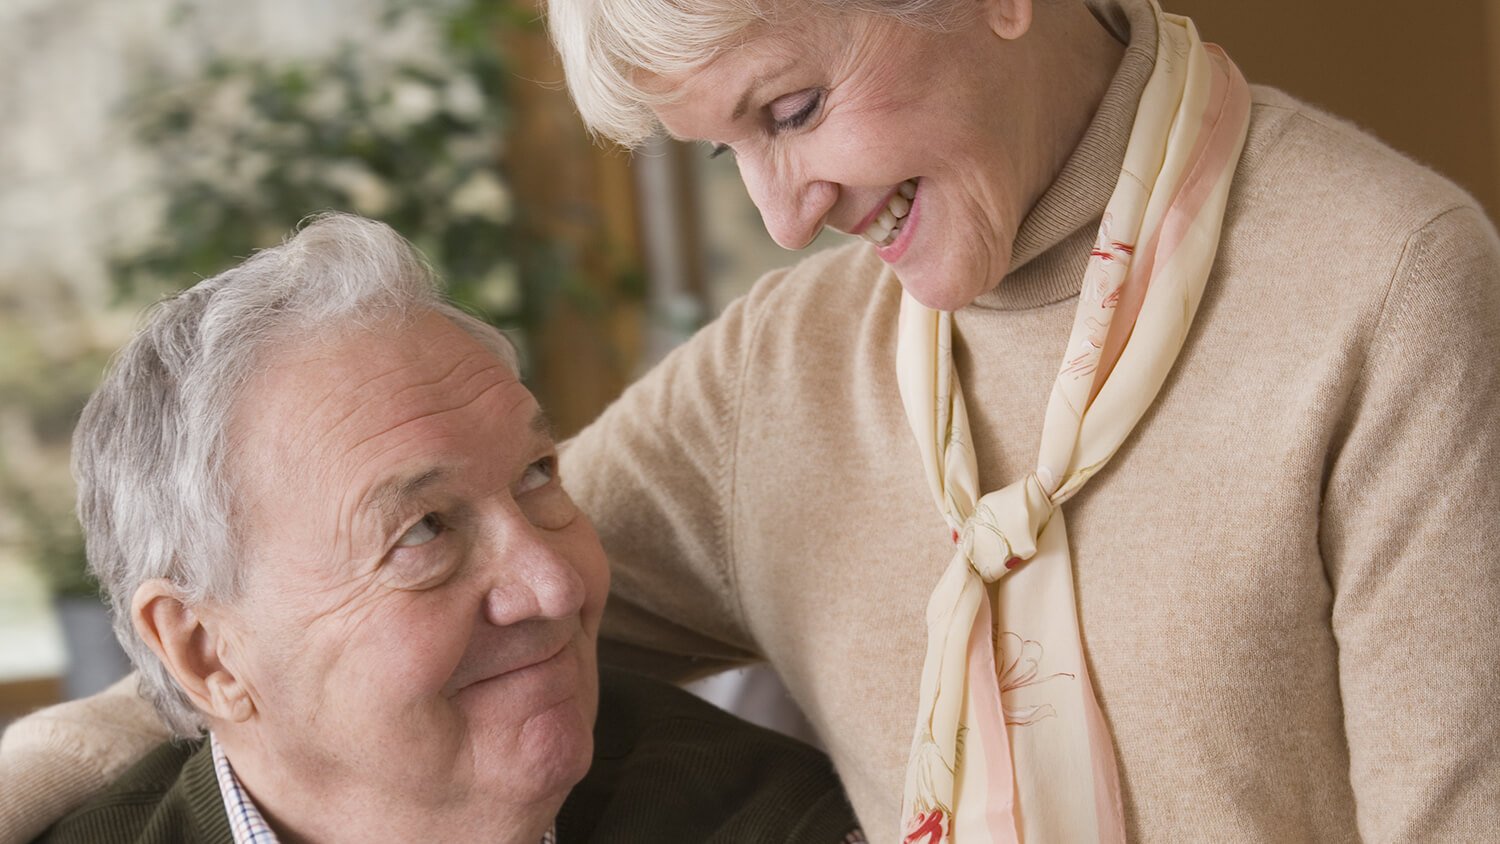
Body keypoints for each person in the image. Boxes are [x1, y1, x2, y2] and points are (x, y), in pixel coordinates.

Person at [4, 0, 1498, 840]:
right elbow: (337, 628)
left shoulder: (1392, 292)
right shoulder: (790, 370)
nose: (784, 219)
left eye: (788, 112)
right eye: (722, 150)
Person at [7, 214, 862, 844]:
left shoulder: (770, 821)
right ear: (204, 652)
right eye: (421, 531)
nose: (555, 584)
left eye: (537, 475)